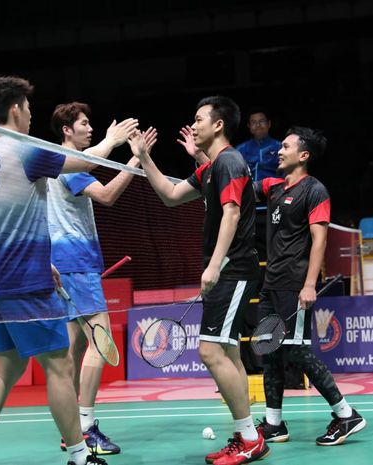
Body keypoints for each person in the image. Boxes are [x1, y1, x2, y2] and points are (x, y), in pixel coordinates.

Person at [0, 74, 137, 465]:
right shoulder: (24, 148)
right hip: (24, 281)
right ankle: (78, 454)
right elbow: (82, 163)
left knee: (6, 367)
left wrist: (46, 261)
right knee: (59, 363)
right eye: (30, 109)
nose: (32, 116)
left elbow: (10, 216)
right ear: (16, 108)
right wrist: (115, 142)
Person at [129, 96, 268, 465]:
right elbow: (171, 196)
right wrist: (144, 157)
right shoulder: (212, 167)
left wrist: (215, 264)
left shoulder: (230, 161)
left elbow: (232, 213)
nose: (194, 124)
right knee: (229, 353)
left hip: (233, 268)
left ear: (219, 124)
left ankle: (250, 438)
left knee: (209, 351)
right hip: (228, 269)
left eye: (200, 119)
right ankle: (247, 435)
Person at [47, 102, 154, 455]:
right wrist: (136, 160)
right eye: (83, 123)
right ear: (67, 129)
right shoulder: (70, 166)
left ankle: (70, 430)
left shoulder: (62, 164)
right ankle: (86, 426)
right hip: (76, 264)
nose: (89, 128)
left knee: (74, 348)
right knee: (99, 340)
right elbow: (107, 196)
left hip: (67, 265)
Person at [254, 126, 366, 446]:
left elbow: (320, 240)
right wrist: (202, 155)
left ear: (303, 155)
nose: (279, 150)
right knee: (270, 352)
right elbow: (232, 185)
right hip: (270, 285)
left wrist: (309, 284)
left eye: (285, 146)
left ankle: (346, 414)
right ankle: (274, 424)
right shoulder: (273, 186)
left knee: (299, 352)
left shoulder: (315, 190)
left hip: (294, 284)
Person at [235, 108, 281, 183]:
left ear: (269, 124)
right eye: (253, 122)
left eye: (262, 121)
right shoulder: (240, 149)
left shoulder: (280, 147)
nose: (258, 125)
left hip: (275, 191)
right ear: (249, 126)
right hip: (248, 192)